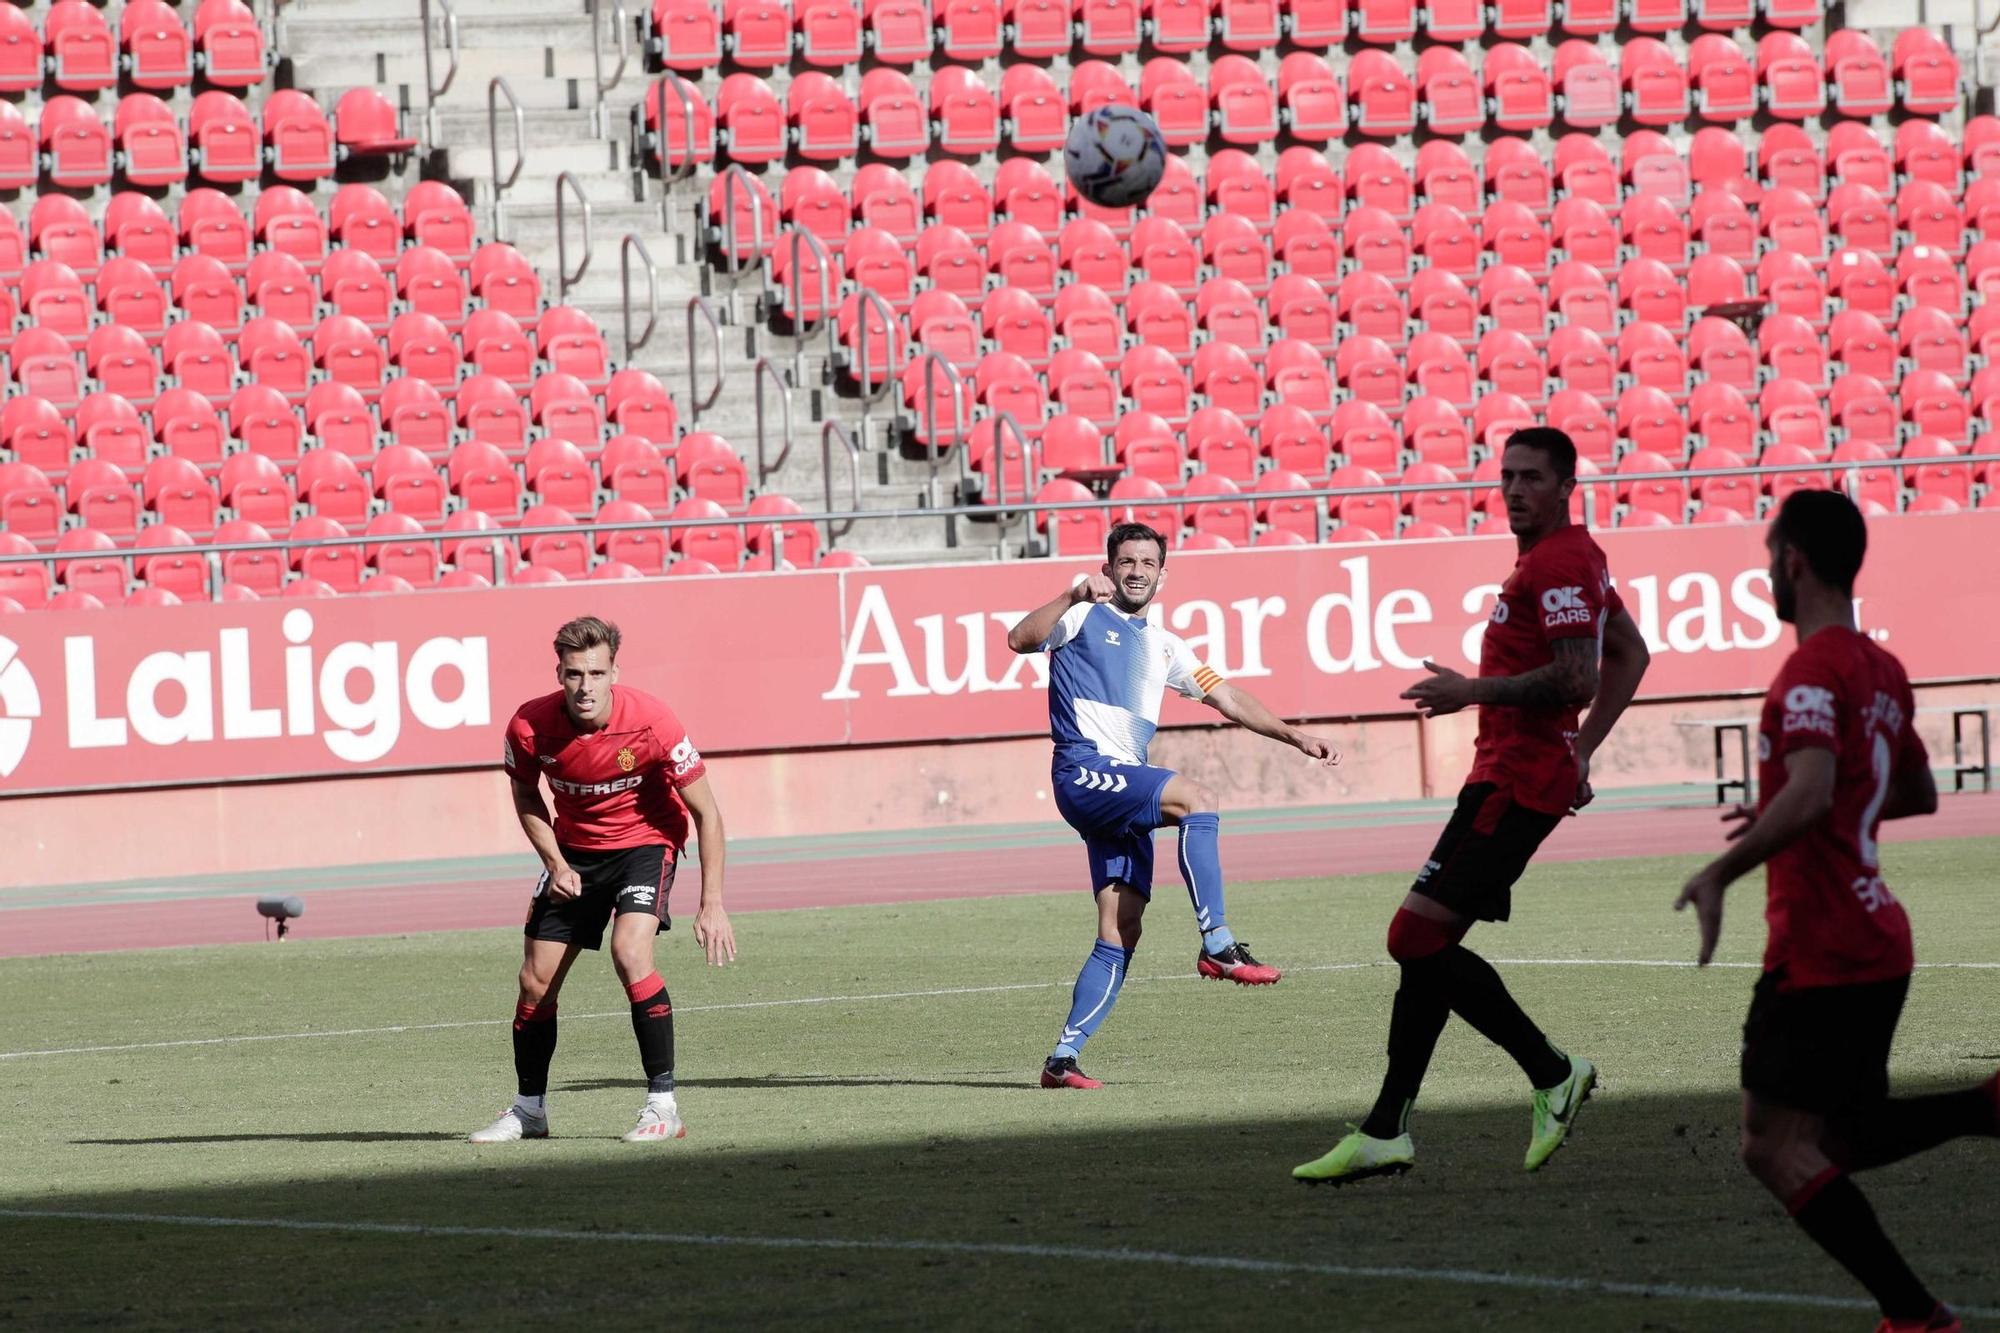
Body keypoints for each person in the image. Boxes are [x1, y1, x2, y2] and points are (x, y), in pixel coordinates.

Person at [1674, 490, 1996, 1333]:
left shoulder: (1811, 671)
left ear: (1792, 561)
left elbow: (1816, 790)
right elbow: (1917, 790)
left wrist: (1722, 869)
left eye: (1766, 557)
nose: (1765, 572)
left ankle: (1916, 1315)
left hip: (1826, 944)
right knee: (1840, 1139)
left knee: (1773, 1147)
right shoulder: (1881, 669)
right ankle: (1987, 1107)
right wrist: (1801, 806)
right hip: (1879, 936)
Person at [1295, 426, 1652, 1183]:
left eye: (1532, 477)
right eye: (1508, 476)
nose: (1516, 489)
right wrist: (1581, 748)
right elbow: (1631, 653)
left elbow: (1578, 677)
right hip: (1513, 773)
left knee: (1412, 938)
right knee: (1424, 951)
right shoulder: (1565, 558)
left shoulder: (1559, 560)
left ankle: (1552, 1071)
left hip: (1515, 783)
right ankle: (1387, 1127)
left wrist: (1474, 691)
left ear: (1566, 486)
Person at [1007, 521, 1341, 1090]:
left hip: (1122, 787)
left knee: (1122, 928)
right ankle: (1218, 944)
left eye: (1148, 563)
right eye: (1127, 561)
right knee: (1197, 798)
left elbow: (1228, 697)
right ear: (1108, 568)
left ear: (1163, 575)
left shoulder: (1166, 646)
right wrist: (1070, 592)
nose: (1137, 571)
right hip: (1085, 770)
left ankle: (1062, 1060)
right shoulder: (1081, 614)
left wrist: (1295, 736)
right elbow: (1018, 639)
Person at [470, 616, 736, 1145]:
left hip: (644, 844)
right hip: (572, 854)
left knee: (630, 952)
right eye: (574, 674)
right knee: (534, 982)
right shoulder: (529, 725)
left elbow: (707, 814)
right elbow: (526, 795)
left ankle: (663, 1107)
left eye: (596, 672)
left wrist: (712, 903)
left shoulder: (655, 723)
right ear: (560, 673)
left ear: (614, 670)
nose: (585, 686)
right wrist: (555, 863)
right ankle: (529, 1111)